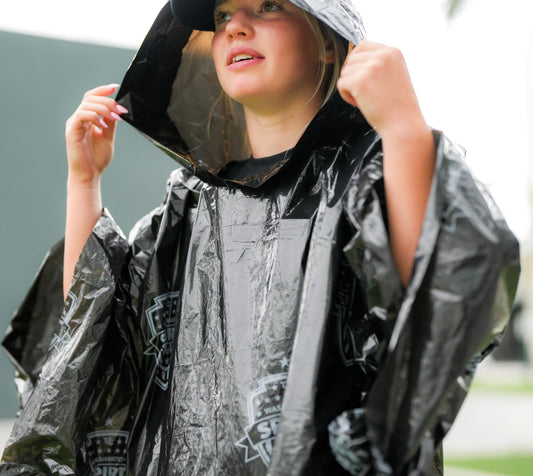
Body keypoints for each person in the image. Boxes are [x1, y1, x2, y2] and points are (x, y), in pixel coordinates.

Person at [0, 1, 520, 475]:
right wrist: (84, 182)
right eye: (223, 15)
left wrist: (404, 126)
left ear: (326, 40)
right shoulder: (189, 205)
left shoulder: (371, 171)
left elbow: (438, 297)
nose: (237, 27)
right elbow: (91, 340)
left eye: (268, 5)